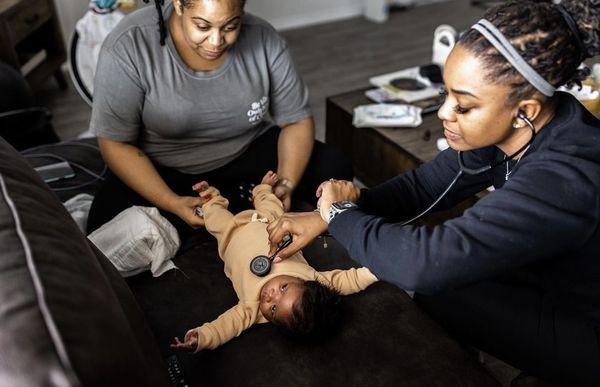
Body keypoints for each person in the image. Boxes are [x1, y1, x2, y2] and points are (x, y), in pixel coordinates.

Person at [266, 1, 600, 384]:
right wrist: (322, 216)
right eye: (446, 94)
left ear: (523, 110)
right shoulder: (523, 128)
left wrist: (340, 215)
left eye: (464, 106)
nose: (444, 113)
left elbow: (423, 264)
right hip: (556, 274)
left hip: (590, 325)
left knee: (439, 286)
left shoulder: (567, 173)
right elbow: (422, 187)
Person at [86, 0, 352, 238]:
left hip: (246, 151)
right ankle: (234, 209)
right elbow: (115, 143)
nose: (216, 41)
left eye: (230, 26)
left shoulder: (264, 38)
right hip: (165, 167)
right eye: (202, 26)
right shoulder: (129, 45)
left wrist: (285, 182)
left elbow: (296, 120)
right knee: (104, 226)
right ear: (178, 4)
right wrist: (172, 202)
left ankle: (233, 209)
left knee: (333, 168)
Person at [169, 172, 378, 352]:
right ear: (304, 282)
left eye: (274, 310)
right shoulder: (313, 279)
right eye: (283, 288)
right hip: (270, 224)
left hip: (231, 236)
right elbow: (349, 280)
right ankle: (262, 189)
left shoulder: (251, 309)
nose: (270, 297)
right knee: (271, 206)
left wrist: (202, 338)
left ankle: (210, 197)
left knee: (214, 219)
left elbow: (226, 326)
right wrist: (377, 270)